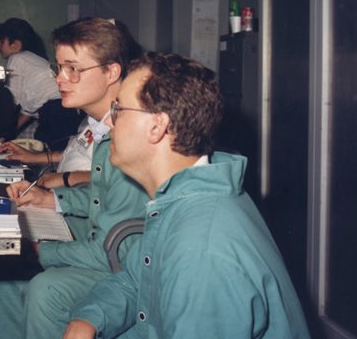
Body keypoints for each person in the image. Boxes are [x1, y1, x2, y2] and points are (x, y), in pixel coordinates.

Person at [63, 52, 311, 338]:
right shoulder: (181, 195)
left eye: (118, 110)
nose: (109, 123)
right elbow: (137, 278)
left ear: (157, 126)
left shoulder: (201, 247)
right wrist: (89, 319)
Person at [0, 17, 147, 339]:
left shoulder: (127, 135)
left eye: (73, 69)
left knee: (46, 287)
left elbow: (116, 246)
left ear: (112, 72)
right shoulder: (99, 125)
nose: (60, 79)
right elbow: (103, 194)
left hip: (125, 263)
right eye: (58, 68)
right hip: (100, 239)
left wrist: (42, 251)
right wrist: (50, 199)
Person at [0, 18, 84, 150]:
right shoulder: (34, 59)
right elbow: (27, 111)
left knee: (49, 157)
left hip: (56, 111)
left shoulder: (16, 59)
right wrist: (3, 136)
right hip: (67, 112)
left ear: (15, 45)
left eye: (2, 41)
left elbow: (11, 105)